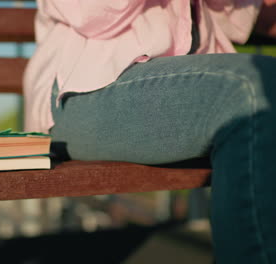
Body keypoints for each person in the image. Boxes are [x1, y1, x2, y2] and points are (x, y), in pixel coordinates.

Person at [23, 0, 276, 263]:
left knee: (256, 91)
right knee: (249, 90)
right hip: (81, 91)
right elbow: (91, 12)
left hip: (194, 89)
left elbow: (239, 19)